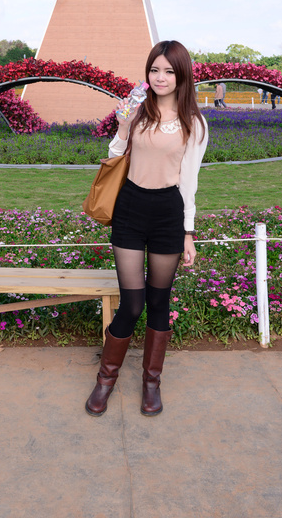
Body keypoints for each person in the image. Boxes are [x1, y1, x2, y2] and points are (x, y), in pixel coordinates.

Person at [85, 40, 209, 418]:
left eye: (169, 71)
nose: (160, 77)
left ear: (181, 75)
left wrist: (188, 233)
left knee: (159, 302)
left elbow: (189, 181)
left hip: (168, 213)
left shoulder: (194, 123)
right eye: (155, 70)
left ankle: (151, 383)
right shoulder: (137, 110)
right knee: (133, 303)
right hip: (130, 209)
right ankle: (105, 379)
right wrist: (123, 127)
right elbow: (114, 157)